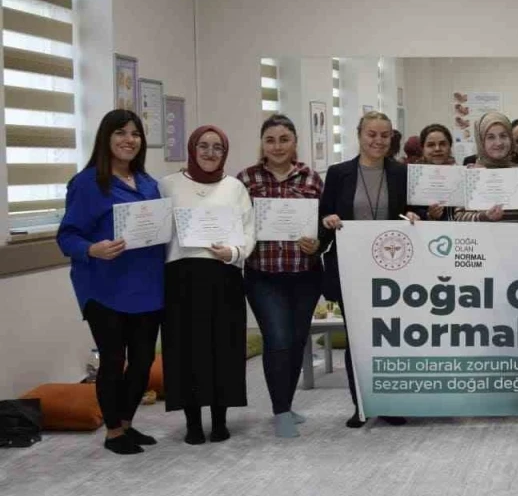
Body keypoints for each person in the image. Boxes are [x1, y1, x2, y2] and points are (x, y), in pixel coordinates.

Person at [56, 110, 166, 455]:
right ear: (106, 137)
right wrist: (92, 249)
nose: (129, 140)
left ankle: (128, 423)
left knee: (143, 361)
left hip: (148, 286)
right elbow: (66, 236)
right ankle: (114, 432)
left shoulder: (148, 183)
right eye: (121, 133)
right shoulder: (87, 183)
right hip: (104, 287)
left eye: (135, 134)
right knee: (113, 359)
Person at [320, 111, 420, 428]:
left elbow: (412, 211)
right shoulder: (338, 173)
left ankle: (389, 403)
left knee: (390, 338)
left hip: (394, 270)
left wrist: (414, 217)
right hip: (352, 270)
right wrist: (328, 221)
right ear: (359, 134)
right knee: (358, 339)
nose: (378, 140)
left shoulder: (402, 173)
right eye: (372, 134)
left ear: (392, 138)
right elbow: (323, 218)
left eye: (385, 135)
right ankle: (360, 405)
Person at [160, 125, 255, 445]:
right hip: (181, 278)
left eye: (218, 147)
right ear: (192, 149)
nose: (210, 153)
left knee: (223, 348)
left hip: (223, 275)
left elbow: (248, 230)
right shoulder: (168, 185)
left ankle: (219, 421)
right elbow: (157, 230)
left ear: (225, 152)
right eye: (203, 146)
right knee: (186, 350)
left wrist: (234, 253)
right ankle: (192, 423)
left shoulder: (235, 187)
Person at [237, 114, 325, 438]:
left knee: (298, 340)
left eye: (284, 139)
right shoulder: (245, 180)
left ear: (295, 142)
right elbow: (235, 223)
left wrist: (317, 242)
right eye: (270, 140)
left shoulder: (312, 178)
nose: (277, 146)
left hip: (305, 275)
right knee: (277, 339)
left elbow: (324, 225)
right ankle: (280, 411)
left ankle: (286, 403)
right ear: (262, 144)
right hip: (264, 275)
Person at [452, 112, 518, 223]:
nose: (498, 143)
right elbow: (459, 217)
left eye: (503, 136)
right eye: (490, 137)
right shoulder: (469, 174)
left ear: (510, 138)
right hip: (482, 235)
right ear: (481, 141)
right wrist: (484, 216)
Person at [415, 123, 456, 221]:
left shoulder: (461, 176)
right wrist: (428, 215)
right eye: (431, 145)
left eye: (442, 144)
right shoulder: (414, 178)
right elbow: (408, 211)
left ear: (450, 147)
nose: (437, 149)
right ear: (423, 149)